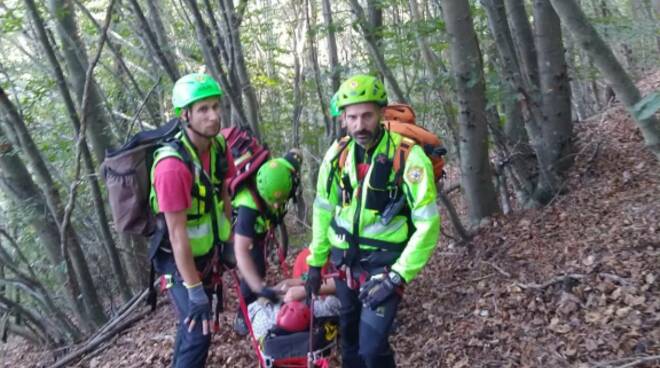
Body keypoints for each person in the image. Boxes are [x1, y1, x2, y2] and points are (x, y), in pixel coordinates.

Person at [305, 74, 440, 368]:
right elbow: (323, 209)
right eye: (352, 117)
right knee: (350, 345)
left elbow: (428, 225)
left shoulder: (408, 157)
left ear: (380, 113)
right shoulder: (337, 155)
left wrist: (397, 276)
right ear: (342, 119)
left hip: (384, 268)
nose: (359, 124)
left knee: (372, 348)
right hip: (345, 265)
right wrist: (315, 263)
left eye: (367, 115)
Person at [150, 73, 234, 368]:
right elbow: (177, 235)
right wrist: (194, 289)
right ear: (184, 115)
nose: (213, 116)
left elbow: (223, 195)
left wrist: (228, 241)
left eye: (215, 107)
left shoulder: (218, 146)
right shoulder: (172, 167)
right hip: (178, 260)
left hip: (207, 254)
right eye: (203, 109)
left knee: (193, 331)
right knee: (199, 333)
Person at [232, 150, 303, 335]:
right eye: (273, 202)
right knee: (255, 266)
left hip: (262, 224)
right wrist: (260, 288)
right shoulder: (248, 206)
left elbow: (294, 155)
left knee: (260, 266)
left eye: (280, 201)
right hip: (248, 231)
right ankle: (244, 313)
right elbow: (240, 252)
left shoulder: (285, 170)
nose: (278, 206)